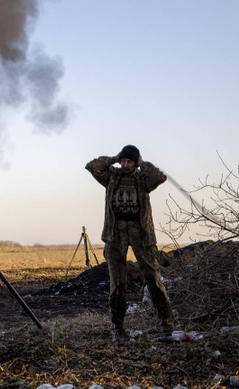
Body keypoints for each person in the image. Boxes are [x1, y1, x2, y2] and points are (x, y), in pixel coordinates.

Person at [86, 144, 174, 340]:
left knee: (153, 278)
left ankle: (167, 327)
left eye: (129, 161)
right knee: (117, 282)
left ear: (135, 163)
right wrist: (114, 158)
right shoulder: (111, 177)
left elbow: (159, 177)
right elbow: (92, 166)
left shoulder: (143, 178)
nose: (125, 165)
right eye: (123, 161)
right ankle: (118, 328)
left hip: (140, 232)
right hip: (115, 233)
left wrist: (142, 163)